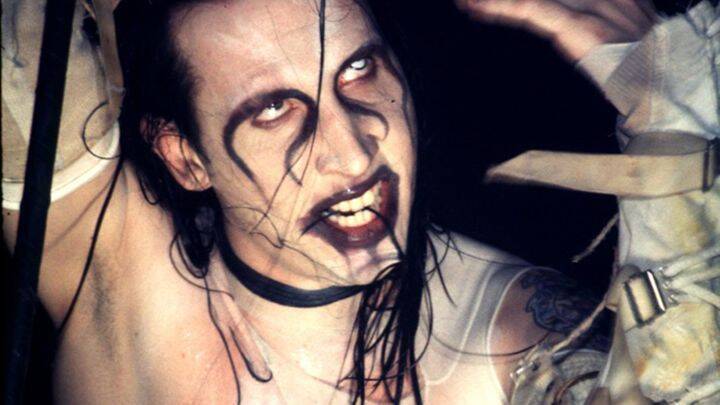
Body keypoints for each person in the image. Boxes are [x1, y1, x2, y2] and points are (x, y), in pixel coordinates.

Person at [3, 0, 717, 403]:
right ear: (184, 156)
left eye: (359, 69)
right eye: (273, 107)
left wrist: (672, 122)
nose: (352, 152)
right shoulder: (116, 275)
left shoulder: (505, 337)